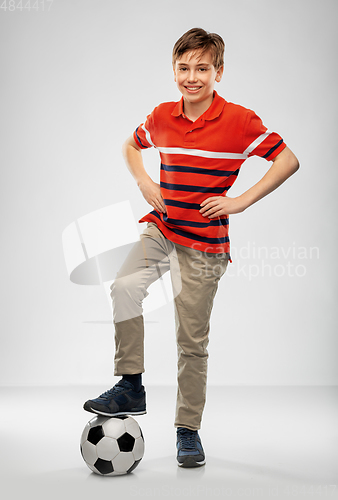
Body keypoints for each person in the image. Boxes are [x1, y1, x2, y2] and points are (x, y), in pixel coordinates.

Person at [84, 27, 299, 468]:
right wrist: (144, 180)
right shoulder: (162, 115)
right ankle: (130, 383)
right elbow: (130, 144)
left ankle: (188, 431)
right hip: (162, 227)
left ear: (219, 72)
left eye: (202, 68)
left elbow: (287, 160)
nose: (192, 77)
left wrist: (238, 201)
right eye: (184, 68)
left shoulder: (240, 121)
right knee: (125, 285)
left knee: (191, 341)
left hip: (205, 244)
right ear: (174, 70)